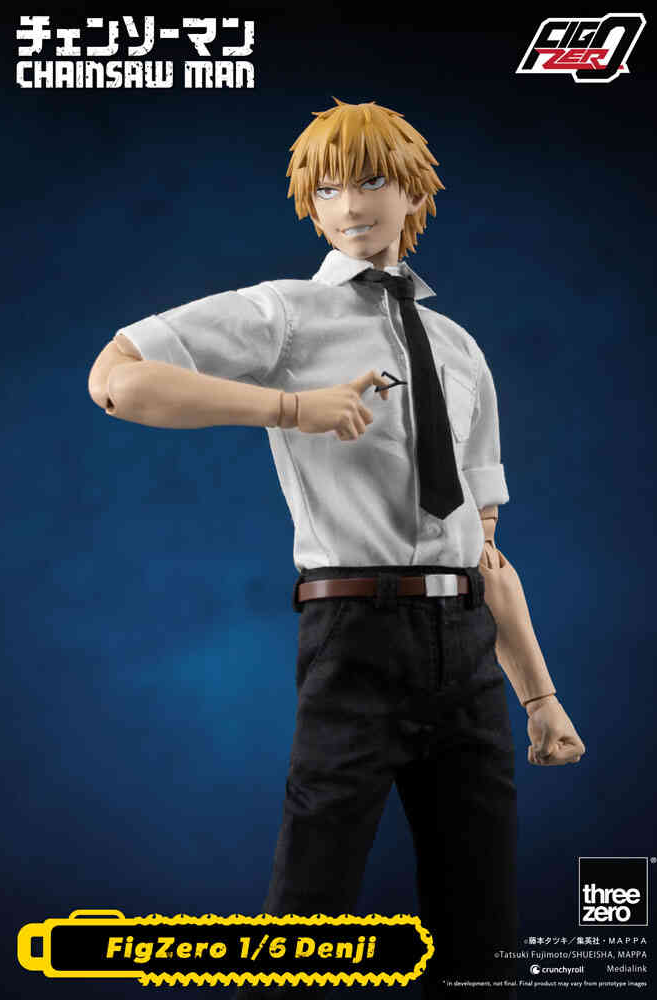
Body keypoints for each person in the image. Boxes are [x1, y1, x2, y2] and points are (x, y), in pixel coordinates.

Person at [88, 98, 585, 997]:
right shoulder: (286, 314)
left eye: (371, 181)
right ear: (308, 206)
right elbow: (116, 380)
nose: (349, 205)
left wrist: (540, 696)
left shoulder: (459, 349)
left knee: (481, 919)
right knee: (310, 910)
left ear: (414, 192)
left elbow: (484, 549)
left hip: (468, 648)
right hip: (355, 635)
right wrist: (288, 406)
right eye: (326, 190)